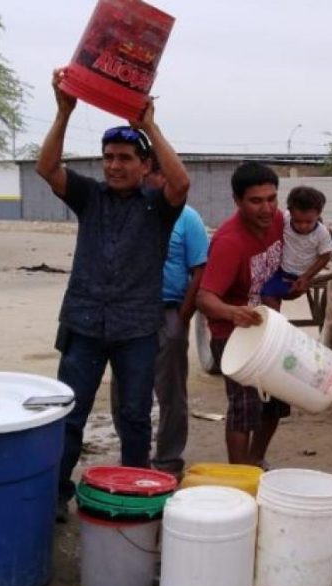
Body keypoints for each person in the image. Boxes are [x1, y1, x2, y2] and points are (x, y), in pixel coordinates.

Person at [36, 67, 190, 520]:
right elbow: (46, 167)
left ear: (145, 167)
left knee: (136, 418)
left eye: (125, 157)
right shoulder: (90, 196)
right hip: (84, 325)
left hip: (137, 330)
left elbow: (181, 183)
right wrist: (64, 112)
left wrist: (149, 126)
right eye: (109, 157)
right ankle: (56, 496)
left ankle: (135, 494)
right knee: (68, 416)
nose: (115, 165)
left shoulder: (157, 205)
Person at [109, 151, 209, 477]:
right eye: (156, 174)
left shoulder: (188, 218)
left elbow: (199, 270)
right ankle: (133, 457)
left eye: (167, 175)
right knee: (123, 390)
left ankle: (167, 463)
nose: (161, 181)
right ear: (145, 173)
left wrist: (182, 319)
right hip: (127, 314)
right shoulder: (127, 210)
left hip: (168, 312)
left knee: (170, 395)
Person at [196, 162, 289, 465]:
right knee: (245, 408)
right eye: (256, 201)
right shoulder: (228, 242)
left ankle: (255, 462)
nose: (266, 208)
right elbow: (204, 297)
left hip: (270, 330)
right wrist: (232, 312)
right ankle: (239, 476)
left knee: (277, 401)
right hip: (232, 335)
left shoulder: (279, 221)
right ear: (237, 201)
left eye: (271, 198)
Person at [261, 185, 332, 308]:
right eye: (298, 221)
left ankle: (276, 323)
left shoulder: (321, 233)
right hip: (279, 271)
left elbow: (325, 256)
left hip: (299, 277)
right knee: (265, 294)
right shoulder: (285, 220)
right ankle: (276, 323)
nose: (303, 226)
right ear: (290, 212)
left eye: (309, 222)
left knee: (277, 294)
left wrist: (306, 277)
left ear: (318, 213)